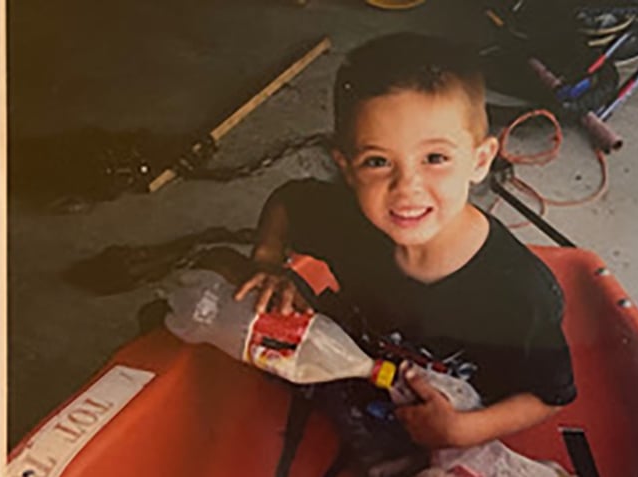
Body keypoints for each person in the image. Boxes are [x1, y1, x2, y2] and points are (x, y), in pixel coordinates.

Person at [235, 32, 576, 476]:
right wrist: (267, 263)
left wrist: (462, 431)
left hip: (458, 413)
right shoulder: (350, 226)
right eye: (378, 162)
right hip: (364, 374)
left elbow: (548, 395)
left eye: (434, 157)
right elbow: (288, 203)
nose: (407, 188)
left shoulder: (517, 290)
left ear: (480, 160)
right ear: (347, 168)